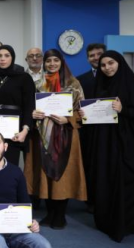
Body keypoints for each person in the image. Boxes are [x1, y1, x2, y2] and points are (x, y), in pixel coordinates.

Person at [82, 51, 134, 242]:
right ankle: (106, 220)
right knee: (104, 179)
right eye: (103, 65)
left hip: (124, 145)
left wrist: (123, 111)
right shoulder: (99, 86)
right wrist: (85, 115)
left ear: (119, 63)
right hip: (103, 145)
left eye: (111, 63)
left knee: (123, 182)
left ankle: (127, 223)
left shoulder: (133, 86)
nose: (107, 68)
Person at [24, 50, 87, 229]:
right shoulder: (38, 84)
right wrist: (33, 113)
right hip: (42, 135)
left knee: (63, 175)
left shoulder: (73, 83)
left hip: (66, 134)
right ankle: (50, 213)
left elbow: (83, 111)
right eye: (48, 61)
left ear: (62, 62)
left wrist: (68, 119)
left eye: (55, 60)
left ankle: (60, 215)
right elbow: (30, 106)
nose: (52, 64)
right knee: (44, 174)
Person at [0, 45, 35, 165]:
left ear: (13, 58)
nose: (2, 59)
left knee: (10, 164)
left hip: (14, 129)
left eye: (7, 55)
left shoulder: (24, 78)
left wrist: (25, 130)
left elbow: (29, 106)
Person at [77, 43, 106, 214]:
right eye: (91, 55)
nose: (95, 58)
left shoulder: (115, 76)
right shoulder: (80, 80)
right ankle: (91, 200)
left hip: (109, 130)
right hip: (88, 130)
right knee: (89, 163)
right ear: (87, 59)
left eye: (99, 54)